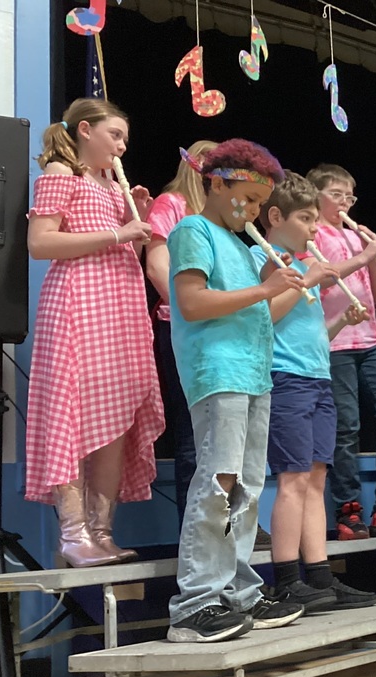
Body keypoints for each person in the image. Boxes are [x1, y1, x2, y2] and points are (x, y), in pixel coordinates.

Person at [166, 139, 304, 642]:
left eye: (255, 202)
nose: (249, 211)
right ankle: (195, 602)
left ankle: (239, 591)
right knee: (219, 483)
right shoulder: (193, 229)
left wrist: (275, 280)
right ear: (216, 183)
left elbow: (258, 315)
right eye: (242, 198)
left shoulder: (246, 248)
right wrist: (266, 287)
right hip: (217, 371)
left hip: (253, 373)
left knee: (244, 490)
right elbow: (194, 302)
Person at [26, 98, 164, 567]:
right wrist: (118, 234)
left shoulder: (110, 184)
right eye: (115, 135)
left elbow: (123, 245)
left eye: (125, 138)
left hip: (119, 308)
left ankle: (102, 532)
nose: (122, 145)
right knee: (72, 414)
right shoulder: (62, 174)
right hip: (79, 304)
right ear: (85, 130)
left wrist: (134, 215)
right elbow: (40, 243)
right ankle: (73, 534)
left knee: (115, 421)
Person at [251, 171, 376, 612]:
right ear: (275, 216)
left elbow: (306, 332)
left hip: (316, 375)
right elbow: (264, 317)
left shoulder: (300, 265)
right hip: (285, 379)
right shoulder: (266, 258)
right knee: (292, 478)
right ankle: (286, 577)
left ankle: (321, 576)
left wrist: (343, 322)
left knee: (316, 477)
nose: (311, 227)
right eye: (304, 218)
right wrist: (305, 279)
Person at [306, 164, 376, 537]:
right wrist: (361, 254)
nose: (345, 203)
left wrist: (372, 258)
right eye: (336, 195)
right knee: (346, 426)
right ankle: (347, 509)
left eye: (349, 196)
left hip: (370, 341)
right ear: (316, 195)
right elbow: (320, 278)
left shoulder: (357, 237)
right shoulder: (311, 233)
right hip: (334, 340)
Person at [146, 139, 218, 528]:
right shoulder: (171, 203)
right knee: (194, 431)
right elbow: (157, 267)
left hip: (218, 329)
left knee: (222, 431)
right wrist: (191, 308)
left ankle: (227, 521)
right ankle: (198, 530)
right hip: (182, 325)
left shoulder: (221, 216)